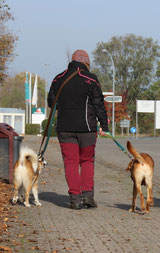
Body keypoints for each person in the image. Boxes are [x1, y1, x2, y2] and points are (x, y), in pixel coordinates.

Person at [48, 49, 109, 210]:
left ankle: (75, 199)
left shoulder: (58, 79)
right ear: (86, 63)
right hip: (87, 129)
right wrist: (104, 125)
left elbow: (51, 102)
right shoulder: (91, 79)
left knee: (71, 163)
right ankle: (88, 196)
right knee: (87, 161)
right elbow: (99, 105)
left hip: (65, 129)